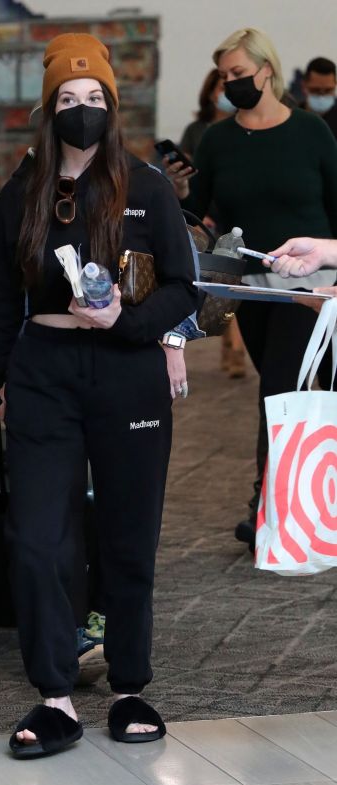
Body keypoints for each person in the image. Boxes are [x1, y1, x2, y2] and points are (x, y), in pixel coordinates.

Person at [0, 32, 197, 758]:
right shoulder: (21, 194)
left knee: (128, 538)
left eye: (95, 99)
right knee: (36, 540)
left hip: (125, 372)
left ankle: (128, 685)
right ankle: (55, 696)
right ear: (48, 109)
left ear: (112, 108)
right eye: (69, 99)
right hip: (44, 374)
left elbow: (186, 289)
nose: (83, 110)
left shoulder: (146, 186)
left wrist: (129, 322)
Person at [166, 27, 337, 552]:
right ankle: (293, 498)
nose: (230, 82)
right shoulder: (217, 140)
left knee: (281, 386)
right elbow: (210, 217)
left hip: (312, 280)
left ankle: (270, 502)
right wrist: (178, 194)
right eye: (224, 75)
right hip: (251, 283)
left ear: (267, 70)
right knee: (280, 388)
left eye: (238, 72)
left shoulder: (311, 132)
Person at [178, 68, 246, 379]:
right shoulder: (197, 130)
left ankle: (235, 347)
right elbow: (190, 173)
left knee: (233, 283)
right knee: (219, 284)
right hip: (205, 217)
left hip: (233, 216)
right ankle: (230, 343)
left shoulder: (241, 129)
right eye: (221, 85)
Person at [301, 57, 337, 139]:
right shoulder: (291, 117)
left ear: (335, 85)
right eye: (315, 90)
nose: (322, 96)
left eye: (328, 90)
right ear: (304, 85)